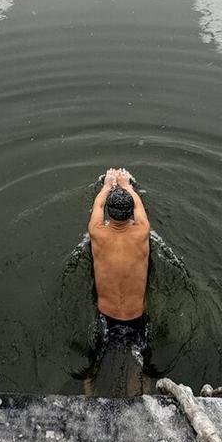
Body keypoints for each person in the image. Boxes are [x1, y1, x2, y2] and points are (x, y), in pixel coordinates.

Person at [84, 167, 151, 395]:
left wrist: (106, 185)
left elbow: (98, 206)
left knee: (93, 367)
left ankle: (89, 397)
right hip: (137, 318)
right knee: (143, 366)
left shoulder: (96, 231)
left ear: (109, 215)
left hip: (106, 317)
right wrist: (127, 185)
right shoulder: (143, 231)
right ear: (130, 213)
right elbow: (140, 206)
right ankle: (142, 398)